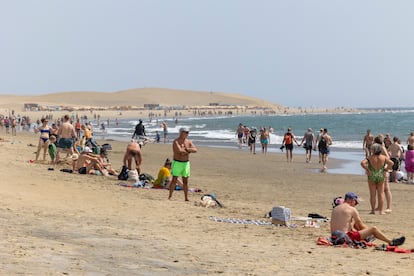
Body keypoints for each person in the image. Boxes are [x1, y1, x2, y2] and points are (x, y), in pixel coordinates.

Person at [330, 192, 405, 246]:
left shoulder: (336, 208)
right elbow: (360, 225)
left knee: (353, 223)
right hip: (345, 237)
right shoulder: (351, 209)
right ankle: (390, 241)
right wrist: (369, 232)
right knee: (373, 229)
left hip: (334, 237)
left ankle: (371, 236)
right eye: (355, 203)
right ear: (352, 200)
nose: (355, 205)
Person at [360, 143, 394, 215]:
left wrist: (368, 169)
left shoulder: (370, 157)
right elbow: (391, 163)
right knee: (381, 194)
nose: (371, 150)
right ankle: (381, 211)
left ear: (374, 150)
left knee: (372, 194)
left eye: (372, 149)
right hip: (380, 175)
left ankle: (373, 210)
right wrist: (385, 169)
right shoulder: (383, 157)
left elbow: (362, 163)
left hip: (372, 175)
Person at [168, 127, 197, 201]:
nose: (187, 134)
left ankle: (186, 198)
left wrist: (187, 149)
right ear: (181, 132)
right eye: (186, 132)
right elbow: (180, 151)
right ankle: (170, 196)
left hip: (186, 163)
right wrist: (188, 151)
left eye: (188, 132)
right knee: (174, 180)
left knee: (185, 181)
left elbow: (195, 149)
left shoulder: (188, 142)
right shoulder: (176, 141)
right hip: (177, 162)